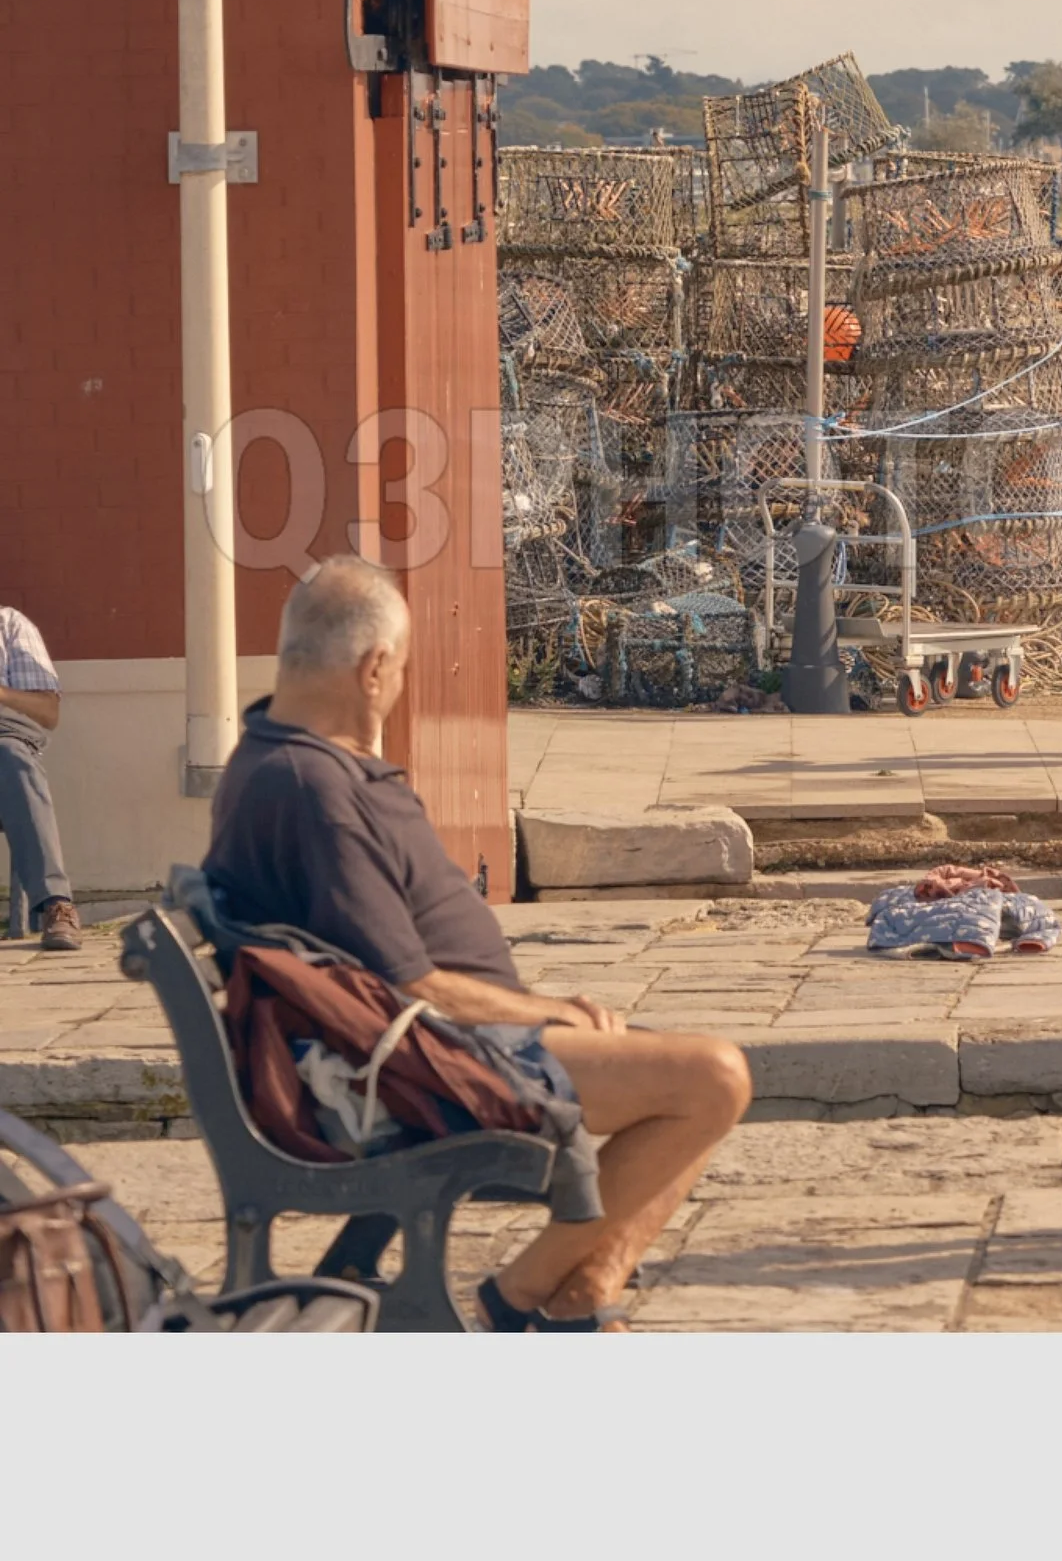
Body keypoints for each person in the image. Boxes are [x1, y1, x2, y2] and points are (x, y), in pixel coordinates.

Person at [204, 556, 751, 1329]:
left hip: (433, 1046)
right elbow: (412, 985)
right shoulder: (311, 788)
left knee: (693, 1078)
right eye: (398, 675)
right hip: (425, 1066)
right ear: (374, 667)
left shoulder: (282, 759)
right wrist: (546, 1013)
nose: (396, 691)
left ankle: (579, 1299)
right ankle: (511, 1303)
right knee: (713, 1079)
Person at [0, 603, 79, 952]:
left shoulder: (9, 624)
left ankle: (56, 905)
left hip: (2, 741)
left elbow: (48, 712)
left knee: (15, 759)